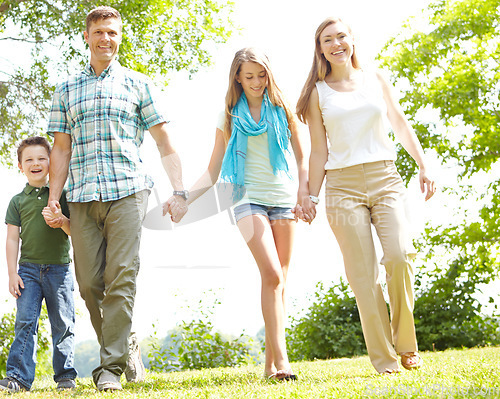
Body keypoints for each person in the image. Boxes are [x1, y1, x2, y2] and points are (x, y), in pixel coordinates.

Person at [46, 6, 188, 391]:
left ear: (119, 36)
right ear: (87, 37)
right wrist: (54, 197)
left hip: (128, 189)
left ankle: (109, 370)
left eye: (112, 32)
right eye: (99, 32)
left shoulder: (138, 84)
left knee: (121, 276)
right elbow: (60, 149)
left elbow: (163, 141)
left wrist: (179, 191)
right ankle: (125, 345)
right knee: (90, 283)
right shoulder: (66, 89)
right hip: (80, 195)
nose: (106, 38)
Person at [296, 17, 436, 374]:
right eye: (328, 39)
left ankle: (407, 344)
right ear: (320, 48)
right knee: (363, 276)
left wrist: (424, 165)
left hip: (385, 177)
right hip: (342, 186)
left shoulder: (376, 79)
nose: (336, 43)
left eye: (341, 36)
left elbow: (400, 123)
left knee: (400, 256)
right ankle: (385, 360)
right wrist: (310, 196)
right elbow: (318, 151)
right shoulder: (317, 93)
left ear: (352, 40)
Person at [165, 48, 308, 380]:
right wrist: (183, 197)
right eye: (249, 77)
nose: (256, 82)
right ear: (237, 79)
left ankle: (272, 367)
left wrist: (305, 194)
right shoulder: (228, 116)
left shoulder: (283, 110)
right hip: (246, 199)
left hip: (284, 200)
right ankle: (284, 362)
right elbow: (213, 171)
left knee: (280, 283)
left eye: (261, 75)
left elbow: (302, 158)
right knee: (272, 274)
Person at [1, 136, 77, 393]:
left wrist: (61, 219)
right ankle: (18, 378)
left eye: (42, 158)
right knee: (24, 322)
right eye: (29, 159)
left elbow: (73, 232)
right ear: (20, 165)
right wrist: (12, 273)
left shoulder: (61, 195)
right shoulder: (17, 201)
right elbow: (12, 239)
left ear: (52, 162)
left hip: (60, 269)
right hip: (28, 271)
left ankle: (65, 376)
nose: (36, 163)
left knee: (63, 323)